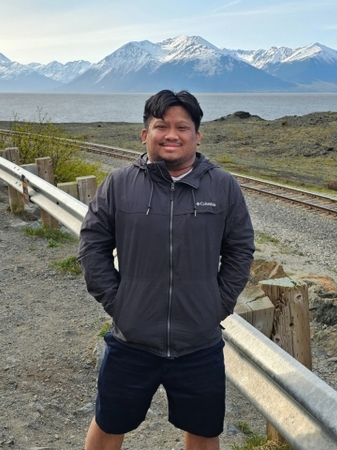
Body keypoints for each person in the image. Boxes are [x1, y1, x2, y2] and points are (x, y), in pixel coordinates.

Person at [78, 89, 255, 450]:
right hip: (132, 340)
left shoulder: (222, 186)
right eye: (161, 126)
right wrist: (120, 304)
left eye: (182, 127)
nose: (171, 135)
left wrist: (216, 306)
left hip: (199, 344)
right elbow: (92, 245)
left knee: (204, 432)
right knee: (108, 423)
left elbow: (240, 250)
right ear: (145, 134)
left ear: (197, 136)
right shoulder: (119, 184)